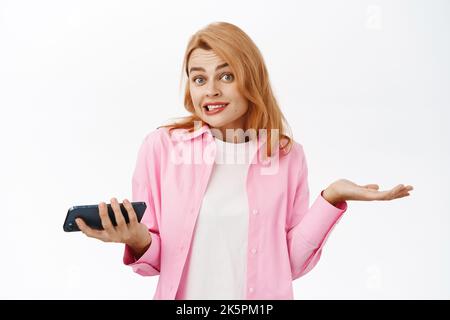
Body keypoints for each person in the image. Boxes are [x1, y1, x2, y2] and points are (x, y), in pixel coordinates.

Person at [75, 22, 414, 300]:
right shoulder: (161, 148)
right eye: (199, 78)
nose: (210, 90)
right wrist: (136, 238)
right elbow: (154, 262)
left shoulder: (286, 156)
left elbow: (289, 265)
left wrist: (331, 199)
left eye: (225, 76)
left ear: (250, 79)